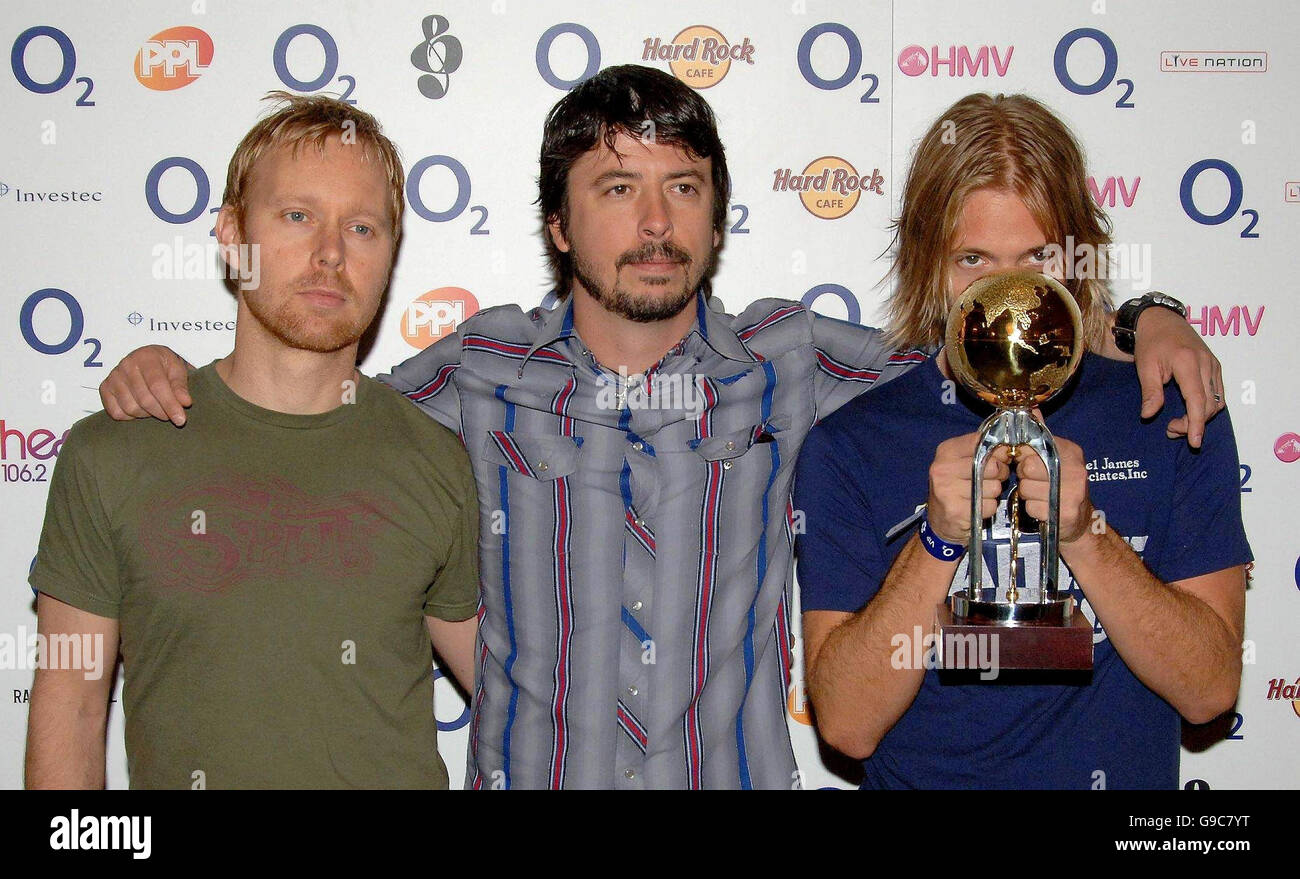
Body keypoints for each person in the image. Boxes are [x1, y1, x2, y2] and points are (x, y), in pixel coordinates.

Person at [97, 67, 1223, 789]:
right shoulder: (477, 368)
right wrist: (167, 372)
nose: (651, 221)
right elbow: (308, 397)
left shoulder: (796, 363)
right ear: (553, 222)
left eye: (682, 187)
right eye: (614, 186)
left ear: (719, 218)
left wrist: (1141, 317)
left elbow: (998, 343)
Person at [795, 93, 1251, 789]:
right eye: (973, 258)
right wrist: (937, 543)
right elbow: (848, 726)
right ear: (925, 262)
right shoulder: (850, 445)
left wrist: (1086, 536)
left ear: (1079, 256)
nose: (1008, 295)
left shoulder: (1168, 412)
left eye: (1037, 257)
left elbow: (1211, 689)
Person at [25, 93, 480, 789]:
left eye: (362, 227)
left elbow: (521, 699)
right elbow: (75, 713)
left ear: (390, 254)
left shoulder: (436, 459)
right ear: (232, 233)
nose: (329, 253)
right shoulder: (111, 454)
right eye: (297, 216)